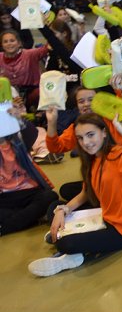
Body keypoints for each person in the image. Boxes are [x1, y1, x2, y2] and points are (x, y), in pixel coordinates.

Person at [28, 113, 122, 277]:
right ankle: (76, 246)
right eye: (80, 138)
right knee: (54, 208)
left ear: (104, 133)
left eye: (90, 135)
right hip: (103, 216)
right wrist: (63, 210)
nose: (86, 142)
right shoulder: (91, 160)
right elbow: (86, 193)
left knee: (66, 244)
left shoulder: (118, 154)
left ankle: (74, 252)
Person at [45, 87, 122, 201]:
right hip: (101, 177)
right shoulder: (79, 127)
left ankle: (107, 199)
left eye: (91, 99)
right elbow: (56, 147)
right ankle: (107, 199)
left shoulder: (113, 118)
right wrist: (51, 122)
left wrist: (119, 87)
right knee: (66, 190)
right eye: (81, 101)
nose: (86, 104)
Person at [0, 101, 59, 237]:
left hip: (29, 191)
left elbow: (31, 134)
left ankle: (6, 227)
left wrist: (19, 119)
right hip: (4, 197)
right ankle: (29, 218)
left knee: (50, 196)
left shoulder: (17, 140)